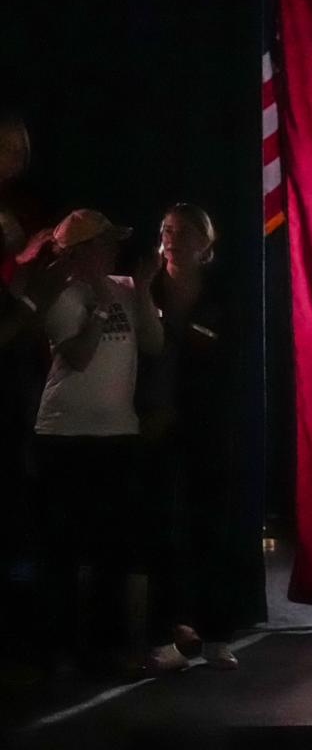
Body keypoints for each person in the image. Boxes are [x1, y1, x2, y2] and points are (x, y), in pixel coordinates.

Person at [33, 209, 164, 673]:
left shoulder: (128, 288)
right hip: (65, 435)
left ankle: (126, 646)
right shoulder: (62, 295)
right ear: (81, 251)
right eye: (103, 243)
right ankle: (67, 650)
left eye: (113, 242)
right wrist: (100, 301)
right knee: (68, 548)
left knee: (123, 545)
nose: (112, 250)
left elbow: (153, 343)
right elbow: (81, 356)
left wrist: (141, 290)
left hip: (118, 433)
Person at [139, 203, 242, 673]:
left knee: (211, 526)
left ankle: (217, 633)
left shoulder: (222, 293)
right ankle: (168, 633)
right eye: (166, 229)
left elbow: (212, 354)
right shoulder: (144, 287)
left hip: (207, 423)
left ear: (206, 244)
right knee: (162, 528)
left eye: (183, 231)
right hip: (153, 424)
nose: (171, 237)